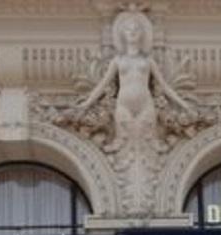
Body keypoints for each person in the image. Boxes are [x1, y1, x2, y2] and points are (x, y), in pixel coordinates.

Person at [77, 7, 192, 144]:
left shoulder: (148, 61)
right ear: (122, 34)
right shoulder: (118, 61)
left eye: (136, 29)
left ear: (142, 34)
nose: (132, 32)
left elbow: (164, 86)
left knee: (149, 143)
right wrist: (86, 103)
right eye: (128, 29)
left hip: (146, 103)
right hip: (123, 104)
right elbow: (103, 85)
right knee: (122, 142)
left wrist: (184, 104)